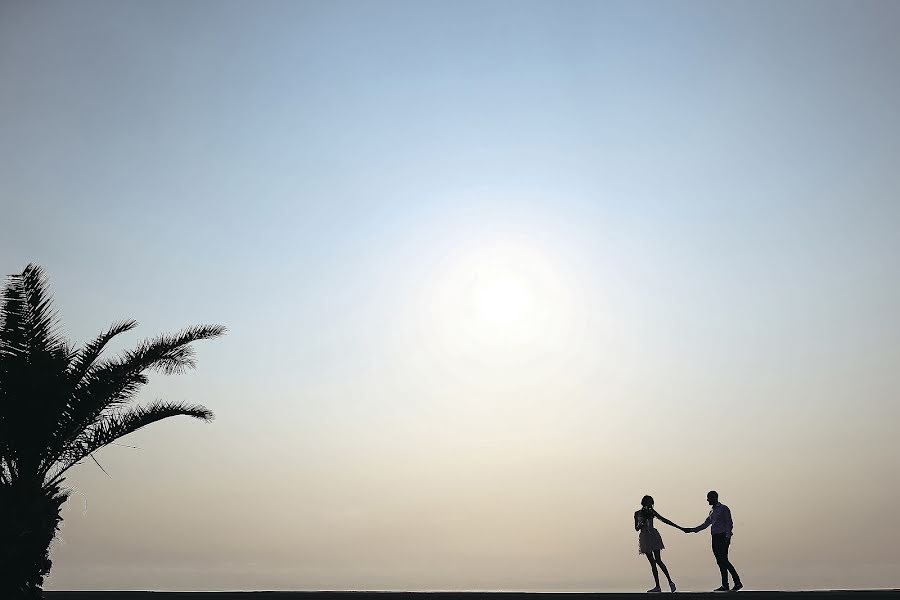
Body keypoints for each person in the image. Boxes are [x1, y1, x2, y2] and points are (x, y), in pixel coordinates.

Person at [682, 490, 743, 592]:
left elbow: (729, 523)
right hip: (715, 538)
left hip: (723, 537)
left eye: (709, 497)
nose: (707, 500)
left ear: (715, 497)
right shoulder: (712, 511)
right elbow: (705, 524)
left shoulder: (723, 508)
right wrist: (692, 530)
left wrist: (728, 537)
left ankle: (737, 583)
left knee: (724, 560)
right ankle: (725, 585)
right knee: (720, 562)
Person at [634, 495, 681, 593]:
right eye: (648, 501)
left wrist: (679, 527)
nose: (650, 504)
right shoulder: (637, 513)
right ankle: (658, 586)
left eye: (651, 502)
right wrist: (642, 522)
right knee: (652, 562)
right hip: (644, 537)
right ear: (644, 502)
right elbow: (637, 528)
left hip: (653, 535)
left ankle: (670, 582)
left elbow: (664, 520)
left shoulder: (652, 512)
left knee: (658, 560)